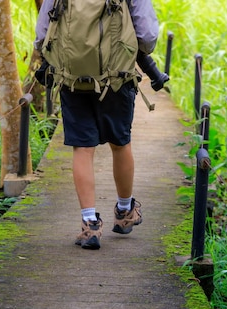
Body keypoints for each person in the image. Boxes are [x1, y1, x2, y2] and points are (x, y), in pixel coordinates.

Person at [34, 0, 161, 250]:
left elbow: (42, 35)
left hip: (72, 78)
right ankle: (125, 211)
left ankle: (89, 223)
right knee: (120, 143)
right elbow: (146, 35)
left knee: (82, 148)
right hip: (117, 77)